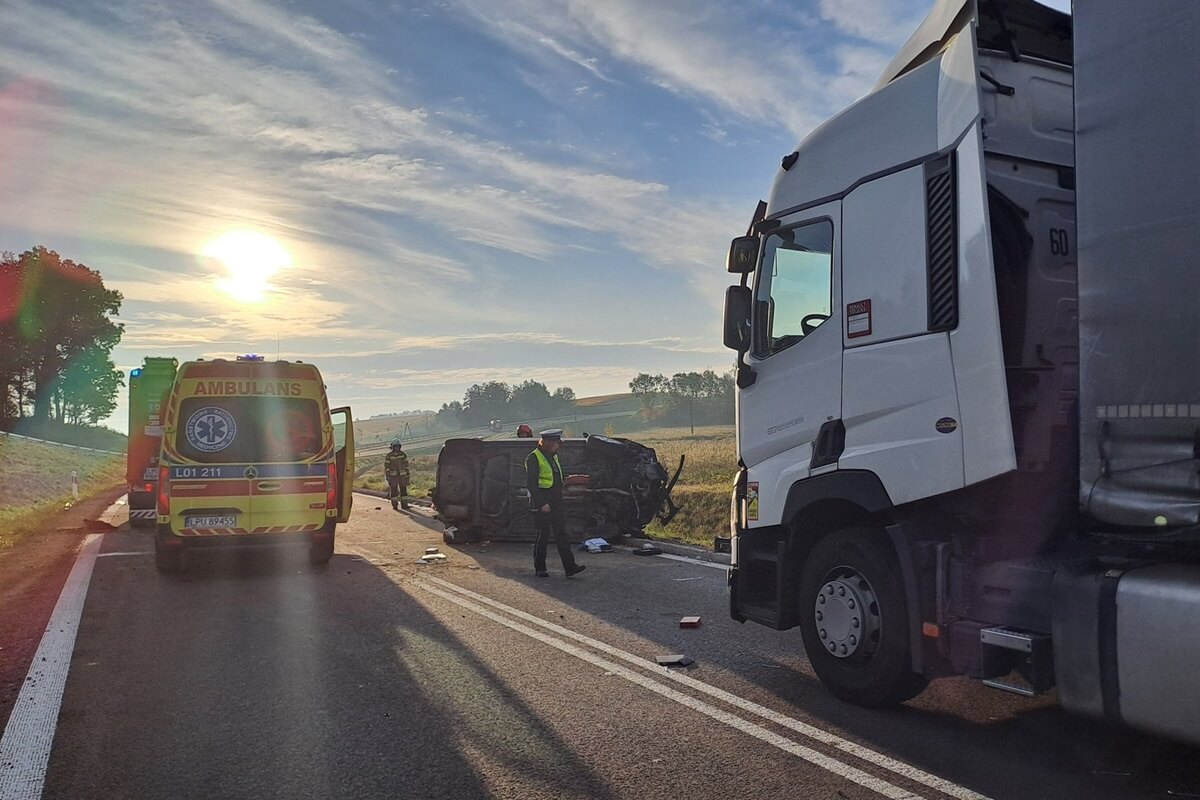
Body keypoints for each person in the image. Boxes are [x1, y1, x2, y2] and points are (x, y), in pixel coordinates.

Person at [525, 429, 585, 578]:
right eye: (557, 443)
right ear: (548, 443)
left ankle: (570, 567)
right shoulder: (534, 458)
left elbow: (554, 476)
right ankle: (540, 568)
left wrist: (565, 481)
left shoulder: (553, 456)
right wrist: (542, 503)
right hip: (542, 502)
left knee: (562, 534)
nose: (558, 445)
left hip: (556, 500)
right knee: (543, 535)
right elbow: (531, 484)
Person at [384, 438, 410, 510]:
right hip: (393, 477)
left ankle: (404, 505)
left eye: (398, 446)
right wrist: (388, 476)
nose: (397, 448)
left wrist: (407, 475)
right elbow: (387, 467)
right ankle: (395, 505)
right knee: (394, 490)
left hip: (402, 476)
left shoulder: (403, 454)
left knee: (403, 490)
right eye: (395, 446)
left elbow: (406, 465)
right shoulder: (389, 456)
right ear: (393, 447)